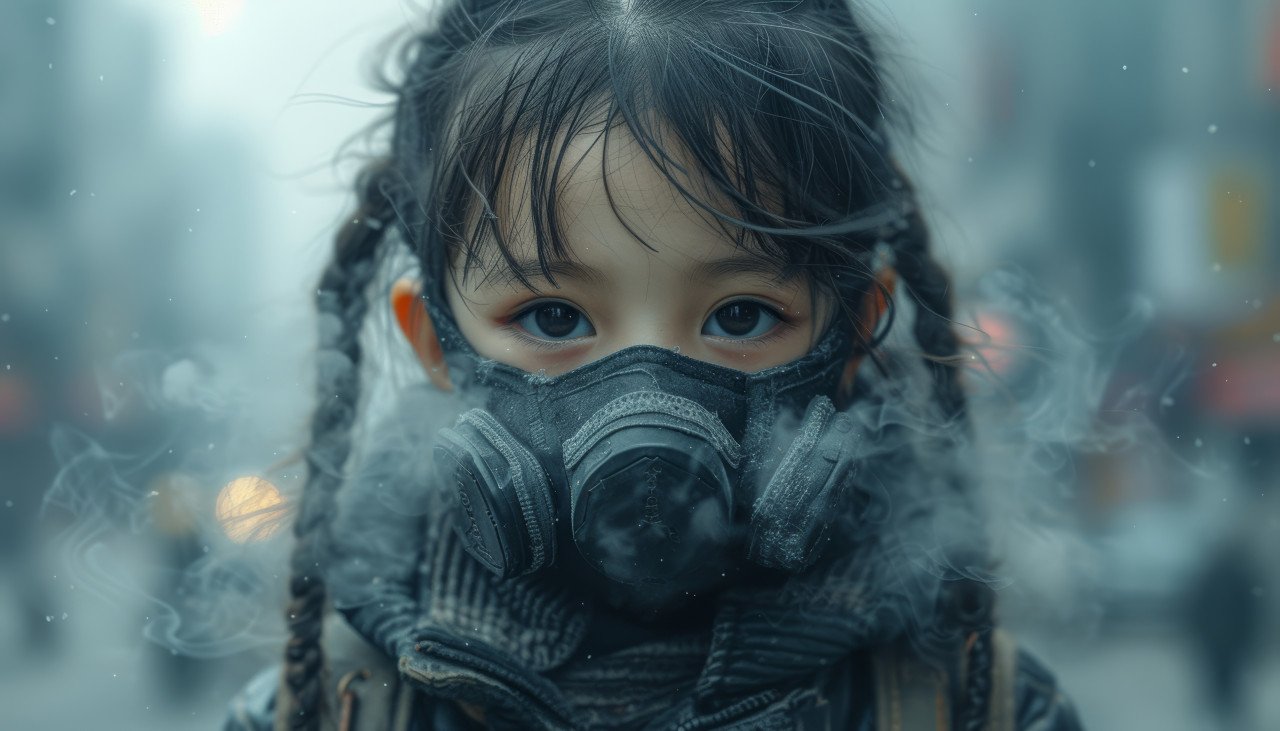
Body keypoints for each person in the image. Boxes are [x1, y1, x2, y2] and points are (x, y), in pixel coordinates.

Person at [226, 1, 1084, 728]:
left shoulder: (970, 704)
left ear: (854, 331)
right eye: (553, 315)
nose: (649, 405)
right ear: (435, 345)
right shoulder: (329, 707)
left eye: (739, 315)